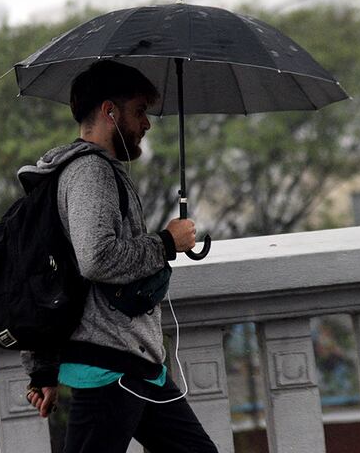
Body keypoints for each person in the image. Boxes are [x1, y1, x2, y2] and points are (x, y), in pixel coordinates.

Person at [19, 60, 218, 453]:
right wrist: (166, 243)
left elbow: (55, 268)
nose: (146, 123)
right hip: (108, 366)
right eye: (140, 111)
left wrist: (42, 368)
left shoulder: (85, 172)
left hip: (137, 364)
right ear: (110, 111)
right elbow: (96, 259)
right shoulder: (90, 173)